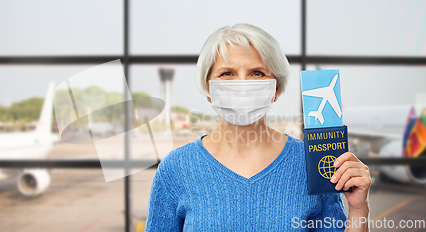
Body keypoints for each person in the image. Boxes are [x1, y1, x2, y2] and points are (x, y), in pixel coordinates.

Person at [144, 23, 371, 231]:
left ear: (276, 89)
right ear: (208, 90)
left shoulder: (311, 163)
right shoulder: (175, 168)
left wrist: (359, 209)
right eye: (227, 73)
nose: (242, 84)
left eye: (257, 73)